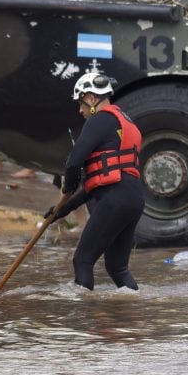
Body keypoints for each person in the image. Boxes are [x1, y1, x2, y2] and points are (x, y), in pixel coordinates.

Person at [45, 72, 145, 290]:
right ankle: (131, 312)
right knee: (117, 268)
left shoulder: (99, 120)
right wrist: (62, 210)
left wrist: (68, 185)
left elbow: (73, 163)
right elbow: (97, 185)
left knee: (82, 260)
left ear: (91, 99)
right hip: (133, 199)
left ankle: (83, 316)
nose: (80, 110)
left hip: (116, 200)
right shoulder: (124, 122)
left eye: (81, 103)